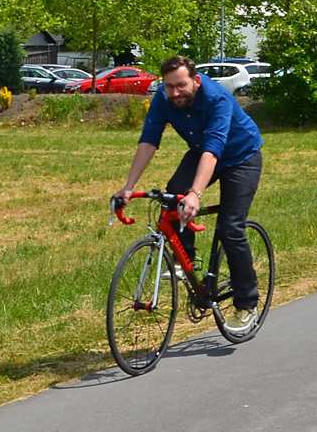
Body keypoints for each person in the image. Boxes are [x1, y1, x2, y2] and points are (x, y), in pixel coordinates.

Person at [113, 55, 264, 333]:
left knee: (230, 228)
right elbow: (149, 139)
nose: (174, 93)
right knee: (173, 195)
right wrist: (129, 186)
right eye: (169, 87)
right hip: (201, 152)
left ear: (195, 80)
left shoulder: (217, 98)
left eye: (180, 85)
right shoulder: (164, 97)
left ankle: (247, 304)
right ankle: (187, 261)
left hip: (241, 157)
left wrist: (196, 193)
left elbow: (214, 148)